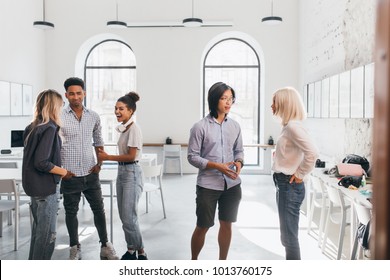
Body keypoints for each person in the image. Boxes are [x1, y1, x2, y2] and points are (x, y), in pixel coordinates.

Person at [60, 77, 118, 260]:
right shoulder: (59, 116)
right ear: (66, 95)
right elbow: (54, 145)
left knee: (99, 210)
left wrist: (100, 164)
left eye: (78, 93)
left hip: (91, 172)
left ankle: (105, 246)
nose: (75, 97)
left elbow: (99, 142)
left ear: (84, 93)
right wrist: (61, 170)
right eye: (71, 93)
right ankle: (74, 247)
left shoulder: (93, 116)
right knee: (71, 212)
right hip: (70, 174)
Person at [187, 82, 244, 260]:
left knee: (227, 225)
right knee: (203, 225)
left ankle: (222, 264)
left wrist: (239, 162)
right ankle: (193, 262)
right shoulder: (200, 127)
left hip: (232, 185)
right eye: (224, 98)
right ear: (214, 99)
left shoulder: (235, 126)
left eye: (231, 99)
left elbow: (239, 151)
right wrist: (217, 166)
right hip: (208, 186)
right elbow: (192, 157)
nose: (228, 103)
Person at [22, 89, 74, 259]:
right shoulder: (50, 128)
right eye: (61, 105)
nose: (61, 108)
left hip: (34, 188)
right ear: (53, 106)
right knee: (47, 237)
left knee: (38, 234)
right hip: (45, 189)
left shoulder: (32, 127)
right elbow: (41, 162)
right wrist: (64, 172)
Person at [97, 91, 147, 260]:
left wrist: (108, 157)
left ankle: (140, 252)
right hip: (123, 171)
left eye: (121, 109)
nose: (117, 112)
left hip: (131, 172)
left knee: (129, 216)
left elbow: (131, 156)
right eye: (116, 108)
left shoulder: (134, 129)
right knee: (124, 215)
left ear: (131, 111)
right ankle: (133, 249)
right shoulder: (125, 128)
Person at [271, 87, 318, 260]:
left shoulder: (292, 127)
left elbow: (312, 152)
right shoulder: (289, 126)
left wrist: (300, 173)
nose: (272, 105)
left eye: (274, 101)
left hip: (289, 186)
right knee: (287, 237)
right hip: (284, 185)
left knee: (289, 238)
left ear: (284, 103)